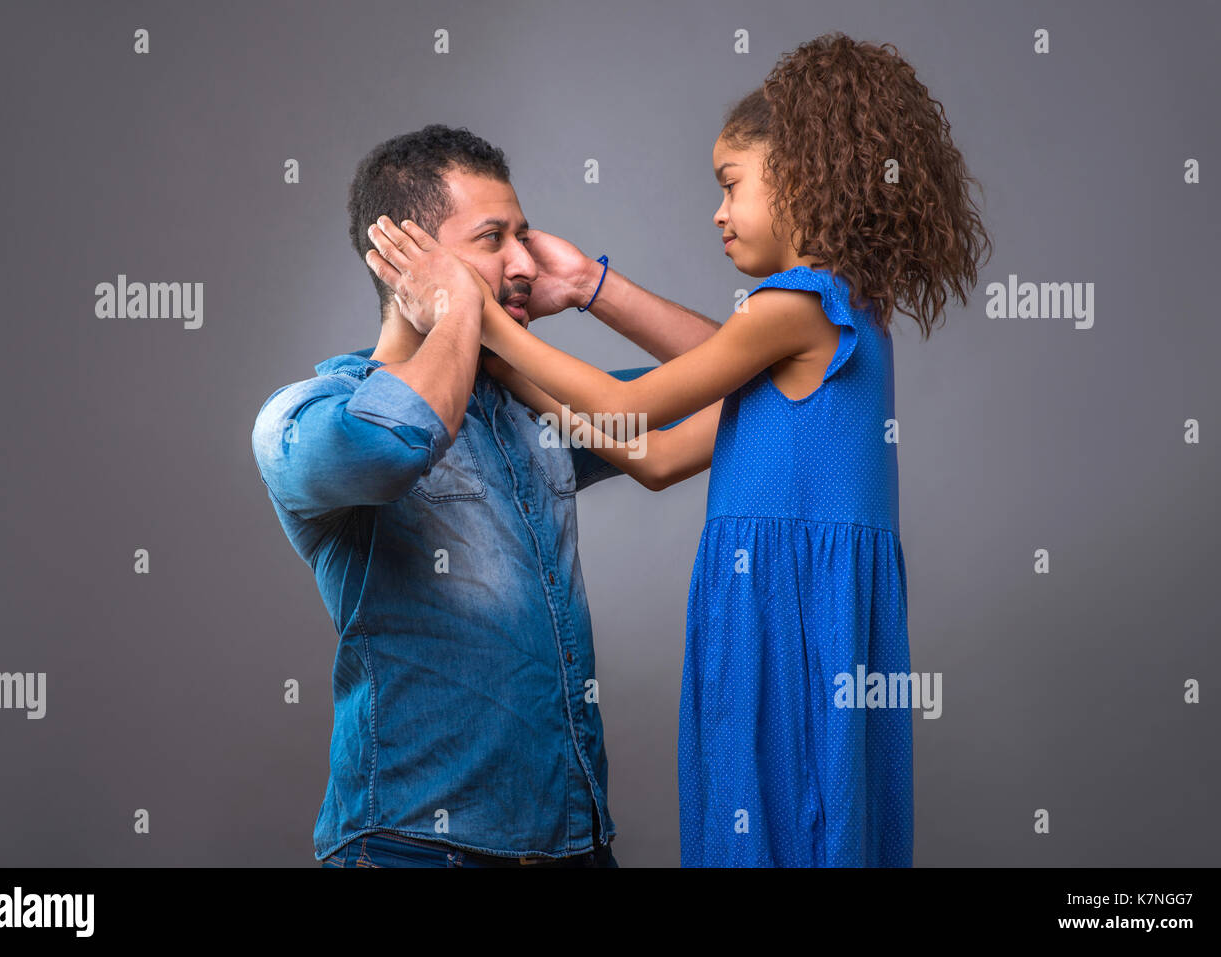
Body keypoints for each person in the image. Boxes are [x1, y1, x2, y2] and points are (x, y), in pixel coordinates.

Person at [370, 34, 991, 866]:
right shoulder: (842, 317)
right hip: (789, 619)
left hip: (785, 619)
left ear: (804, 176)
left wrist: (475, 320)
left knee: (781, 824)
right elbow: (653, 453)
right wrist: (574, 304)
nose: (718, 211)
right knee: (812, 821)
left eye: (730, 184)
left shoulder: (800, 305)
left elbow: (631, 402)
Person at [251, 124, 721, 867]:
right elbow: (394, 443)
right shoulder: (308, 416)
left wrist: (594, 288)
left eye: (524, 238)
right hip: (414, 847)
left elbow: (745, 385)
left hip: (573, 843)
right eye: (494, 238)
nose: (525, 263)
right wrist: (459, 311)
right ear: (405, 257)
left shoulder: (537, 410)